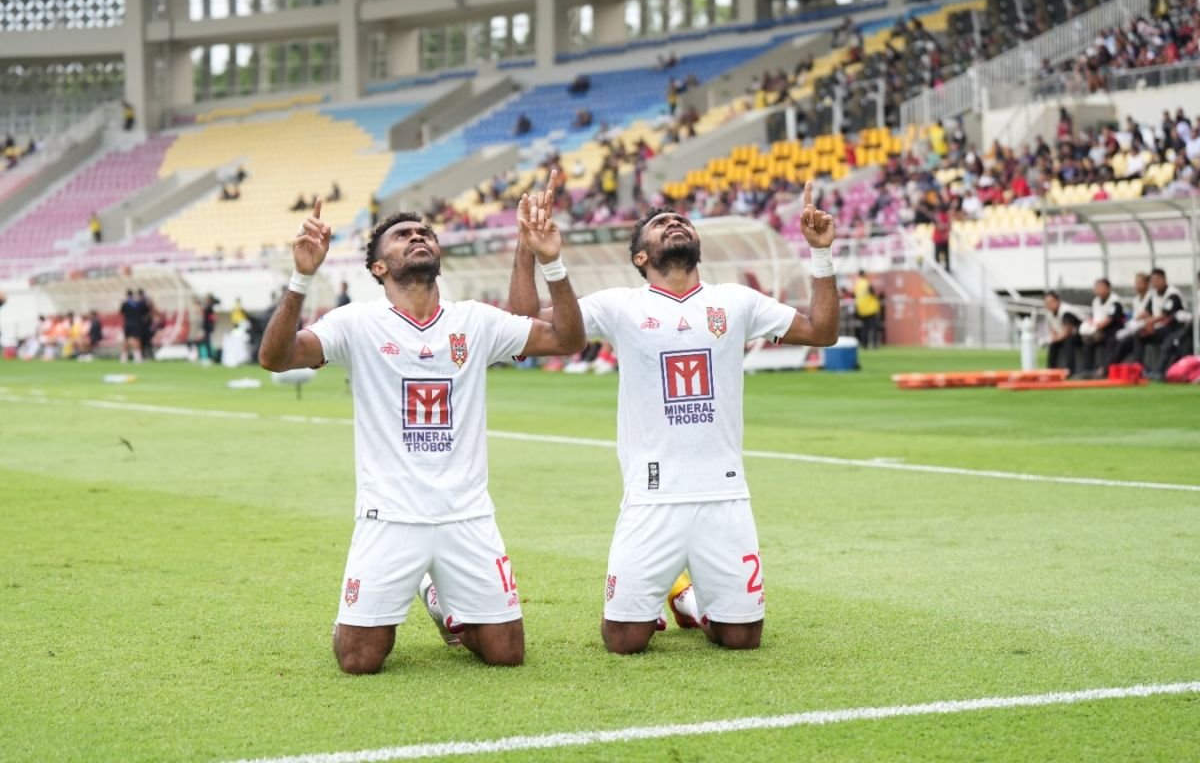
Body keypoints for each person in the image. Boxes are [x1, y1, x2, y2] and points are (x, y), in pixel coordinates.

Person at [258, 179, 585, 674]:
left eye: (425, 233)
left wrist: (549, 263)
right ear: (378, 267)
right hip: (389, 515)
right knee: (359, 660)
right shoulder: (356, 323)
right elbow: (276, 357)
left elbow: (566, 340)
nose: (418, 236)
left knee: (506, 654)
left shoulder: (474, 320)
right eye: (403, 235)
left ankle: (440, 599)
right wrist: (301, 278)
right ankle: (398, 600)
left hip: (466, 514)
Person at [508, 181, 839, 655]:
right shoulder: (620, 305)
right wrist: (531, 250)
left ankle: (689, 601)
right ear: (641, 257)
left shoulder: (737, 301)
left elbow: (822, 331)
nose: (675, 224)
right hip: (652, 496)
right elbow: (524, 327)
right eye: (661, 224)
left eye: (681, 221)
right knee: (625, 641)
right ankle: (678, 592)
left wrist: (821, 254)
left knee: (742, 639)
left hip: (724, 492)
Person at [1079, 277, 1124, 377]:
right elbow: (1093, 317)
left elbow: (1110, 319)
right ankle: (1088, 370)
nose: (1098, 290)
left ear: (1108, 288)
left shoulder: (1115, 301)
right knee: (1087, 342)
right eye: (1096, 287)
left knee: (1111, 341)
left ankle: (1105, 369)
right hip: (1099, 330)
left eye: (1100, 287)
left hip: (1113, 329)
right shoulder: (1095, 301)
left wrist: (1097, 327)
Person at [1044, 291, 1083, 374]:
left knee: (1068, 342)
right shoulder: (1049, 313)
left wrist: (1055, 339)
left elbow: (1067, 332)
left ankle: (1069, 370)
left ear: (1057, 301)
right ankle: (1051, 370)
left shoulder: (1066, 311)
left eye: (1051, 302)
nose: (1049, 304)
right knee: (1053, 344)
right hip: (1063, 336)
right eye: (1047, 303)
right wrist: (1053, 338)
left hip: (1081, 335)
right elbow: (1052, 329)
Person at [854, 270, 881, 349]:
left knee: (864, 329)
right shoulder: (866, 283)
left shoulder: (857, 284)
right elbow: (872, 293)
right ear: (864, 274)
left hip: (861, 309)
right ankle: (874, 345)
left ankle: (864, 345)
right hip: (870, 308)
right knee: (874, 328)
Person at [119, 290, 142, 363]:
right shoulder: (138, 303)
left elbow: (121, 312)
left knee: (126, 340)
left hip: (127, 324)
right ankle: (137, 358)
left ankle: (124, 358)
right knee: (137, 340)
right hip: (136, 324)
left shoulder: (125, 303)